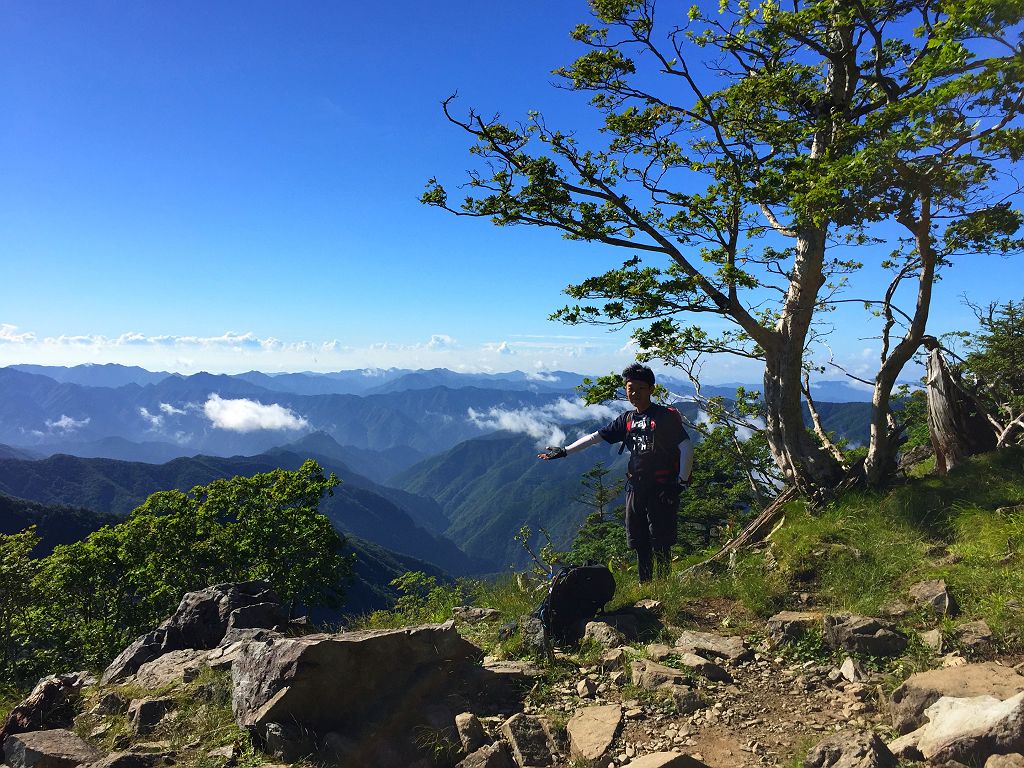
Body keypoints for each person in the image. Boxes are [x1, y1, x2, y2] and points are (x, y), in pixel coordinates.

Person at [538, 364, 693, 582]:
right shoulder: (627, 419)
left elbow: (685, 446)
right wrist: (565, 451)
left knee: (661, 540)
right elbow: (596, 437)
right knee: (639, 541)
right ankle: (646, 585)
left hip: (662, 488)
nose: (634, 393)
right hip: (635, 487)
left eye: (640, 388)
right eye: (630, 388)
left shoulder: (663, 416)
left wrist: (681, 482)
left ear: (651, 389)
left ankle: (665, 586)